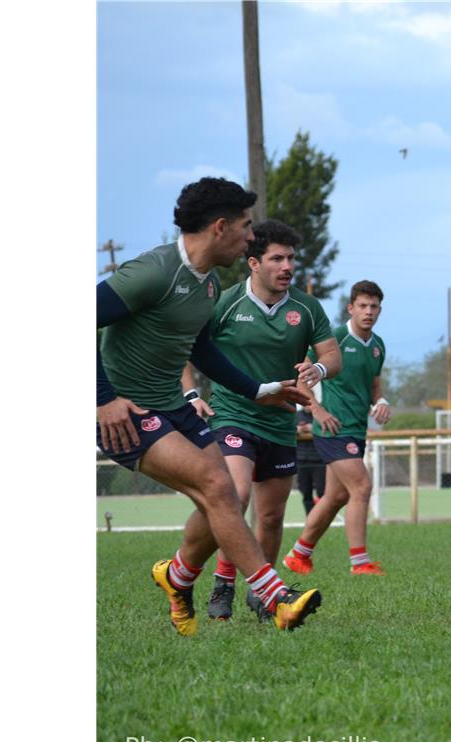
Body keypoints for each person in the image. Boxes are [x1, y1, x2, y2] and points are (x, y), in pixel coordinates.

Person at [96, 177, 321, 635]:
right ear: (220, 227)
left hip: (171, 406)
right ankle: (277, 598)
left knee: (223, 495)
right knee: (219, 486)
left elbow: (201, 350)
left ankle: (177, 576)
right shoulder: (152, 273)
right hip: (127, 412)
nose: (251, 237)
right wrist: (103, 400)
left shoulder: (210, 285)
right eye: (246, 226)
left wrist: (259, 390)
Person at [180, 219, 341, 620]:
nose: (287, 267)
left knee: (270, 517)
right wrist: (191, 394)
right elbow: (184, 344)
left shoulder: (306, 308)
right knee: (235, 496)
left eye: (291, 258)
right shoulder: (226, 302)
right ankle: (221, 582)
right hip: (232, 414)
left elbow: (332, 355)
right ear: (253, 262)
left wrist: (318, 369)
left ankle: (264, 596)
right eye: (277, 259)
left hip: (280, 422)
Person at [283, 281, 391, 576]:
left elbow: (374, 386)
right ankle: (360, 562)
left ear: (380, 310)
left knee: (336, 497)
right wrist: (317, 410)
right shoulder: (336, 339)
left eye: (374, 306)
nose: (368, 312)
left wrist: (381, 401)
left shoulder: (378, 346)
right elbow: (300, 377)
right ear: (351, 308)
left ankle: (298, 555)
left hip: (356, 429)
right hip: (334, 430)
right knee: (362, 487)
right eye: (363, 306)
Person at [295, 404, 327, 514]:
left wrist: (314, 428)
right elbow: (287, 430)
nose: (308, 405)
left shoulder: (321, 415)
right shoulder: (296, 415)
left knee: (322, 492)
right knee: (305, 493)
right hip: (301, 460)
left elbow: (329, 428)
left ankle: (322, 518)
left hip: (319, 460)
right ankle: (310, 518)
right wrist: (297, 429)